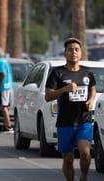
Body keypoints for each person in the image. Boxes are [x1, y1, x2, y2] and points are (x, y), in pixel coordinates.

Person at [45, 37, 96, 181]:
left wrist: (91, 99)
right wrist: (65, 89)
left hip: (84, 121)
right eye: (70, 50)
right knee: (68, 159)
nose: (73, 52)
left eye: (76, 49)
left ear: (81, 53)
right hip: (65, 122)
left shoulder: (87, 73)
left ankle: (84, 178)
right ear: (65, 53)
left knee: (85, 153)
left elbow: (92, 88)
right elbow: (48, 96)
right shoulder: (57, 73)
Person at [0, 46, 14, 133]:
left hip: (3, 87)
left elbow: (3, 74)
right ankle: (5, 125)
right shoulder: (5, 61)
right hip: (9, 86)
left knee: (3, 106)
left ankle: (9, 125)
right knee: (6, 106)